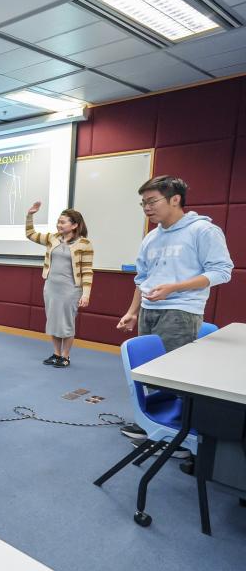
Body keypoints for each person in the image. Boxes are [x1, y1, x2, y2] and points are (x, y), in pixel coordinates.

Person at [116, 175, 232, 441]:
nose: (146, 207)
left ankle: (179, 434)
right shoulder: (151, 237)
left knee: (173, 376)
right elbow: (142, 279)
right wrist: (133, 311)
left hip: (181, 311)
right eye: (143, 202)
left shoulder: (202, 230)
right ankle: (159, 426)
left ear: (175, 199)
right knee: (151, 373)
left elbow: (222, 272)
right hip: (149, 309)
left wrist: (175, 287)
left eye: (152, 201)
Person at [26, 201, 94, 367]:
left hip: (70, 289)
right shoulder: (52, 238)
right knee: (53, 321)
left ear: (74, 225)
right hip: (51, 287)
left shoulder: (84, 244)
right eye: (58, 221)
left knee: (66, 322)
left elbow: (87, 271)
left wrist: (86, 294)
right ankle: (56, 354)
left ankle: (66, 356)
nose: (59, 225)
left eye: (63, 222)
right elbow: (30, 234)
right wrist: (30, 215)